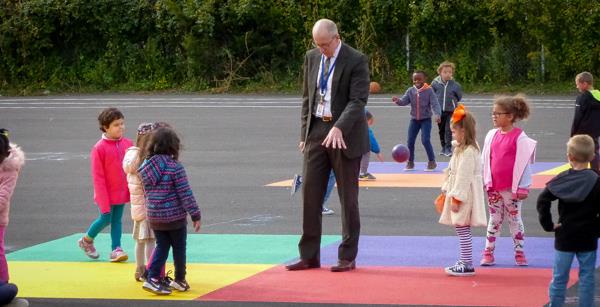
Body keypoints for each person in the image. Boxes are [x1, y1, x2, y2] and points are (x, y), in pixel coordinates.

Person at [286, 18, 370, 273]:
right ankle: (309, 255)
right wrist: (304, 133)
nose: (322, 49)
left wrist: (338, 127)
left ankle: (347, 256)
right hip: (316, 133)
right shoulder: (311, 58)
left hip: (345, 134)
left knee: (348, 199)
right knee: (310, 196)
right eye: (318, 44)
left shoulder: (356, 59)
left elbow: (358, 101)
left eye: (325, 44)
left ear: (337, 37)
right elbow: (306, 98)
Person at [536, 134, 600, 307]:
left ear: (569, 156)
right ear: (592, 156)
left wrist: (548, 225)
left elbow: (542, 200)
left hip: (565, 235)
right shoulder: (596, 180)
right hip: (588, 235)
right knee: (587, 278)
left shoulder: (561, 179)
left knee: (559, 277)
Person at [138, 127, 201, 295]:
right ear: (173, 146)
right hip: (174, 216)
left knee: (162, 246)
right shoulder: (175, 167)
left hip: (155, 216)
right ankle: (180, 279)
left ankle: (152, 277)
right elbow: (185, 193)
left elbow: (146, 192)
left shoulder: (146, 167)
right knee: (179, 247)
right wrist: (195, 214)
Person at [480, 95, 536, 266]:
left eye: (498, 113)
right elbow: (485, 159)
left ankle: (519, 252)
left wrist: (524, 186)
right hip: (494, 187)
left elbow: (524, 163)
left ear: (510, 116)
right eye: (493, 113)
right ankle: (488, 251)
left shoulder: (520, 138)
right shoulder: (491, 135)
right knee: (494, 218)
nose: (494, 116)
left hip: (512, 190)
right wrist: (484, 180)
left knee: (514, 219)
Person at [78, 108, 132, 262]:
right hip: (105, 194)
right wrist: (103, 200)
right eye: (116, 125)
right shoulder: (99, 148)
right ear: (105, 127)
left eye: (122, 123)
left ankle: (116, 249)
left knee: (117, 220)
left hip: (121, 192)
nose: (121, 127)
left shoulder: (128, 144)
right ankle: (87, 241)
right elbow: (98, 178)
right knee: (106, 218)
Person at [438, 105, 487, 276]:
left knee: (462, 227)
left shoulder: (468, 152)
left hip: (464, 195)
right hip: (460, 192)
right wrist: (446, 190)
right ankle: (464, 260)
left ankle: (467, 263)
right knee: (461, 227)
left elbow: (463, 178)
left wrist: (456, 199)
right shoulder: (461, 149)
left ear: (463, 132)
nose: (452, 134)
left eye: (454, 131)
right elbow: (452, 173)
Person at [123, 122, 161, 281]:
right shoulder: (144, 159)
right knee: (150, 240)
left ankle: (139, 269)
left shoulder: (131, 157)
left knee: (140, 240)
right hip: (147, 207)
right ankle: (150, 270)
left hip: (137, 208)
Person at [392, 71, 441, 171]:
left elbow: (435, 103)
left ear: (424, 79)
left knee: (425, 140)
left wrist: (437, 114)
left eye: (419, 79)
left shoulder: (429, 90)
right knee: (410, 141)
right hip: (414, 120)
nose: (417, 81)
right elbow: (404, 101)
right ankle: (410, 162)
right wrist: (398, 101)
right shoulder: (410, 91)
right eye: (415, 79)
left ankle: (432, 162)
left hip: (426, 120)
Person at [570, 72, 600, 174]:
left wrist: (573, 134)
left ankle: (581, 174)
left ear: (585, 84)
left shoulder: (582, 98)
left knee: (579, 153)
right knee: (594, 152)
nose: (577, 86)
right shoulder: (598, 95)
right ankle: (596, 174)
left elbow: (578, 117)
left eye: (578, 83)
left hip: (582, 132)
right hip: (595, 132)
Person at [431, 61, 463, 157]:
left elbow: (459, 96)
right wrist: (436, 111)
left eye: (449, 72)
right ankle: (443, 147)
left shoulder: (455, 85)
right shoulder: (435, 84)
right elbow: (432, 96)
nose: (447, 74)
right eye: (445, 72)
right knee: (441, 130)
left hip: (451, 111)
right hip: (439, 111)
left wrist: (453, 103)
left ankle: (448, 148)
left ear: (452, 73)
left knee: (449, 129)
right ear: (440, 72)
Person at [358, 110, 384, 180]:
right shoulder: (364, 128)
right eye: (369, 123)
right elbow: (370, 140)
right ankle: (363, 174)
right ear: (366, 120)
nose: (369, 126)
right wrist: (378, 152)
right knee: (366, 151)